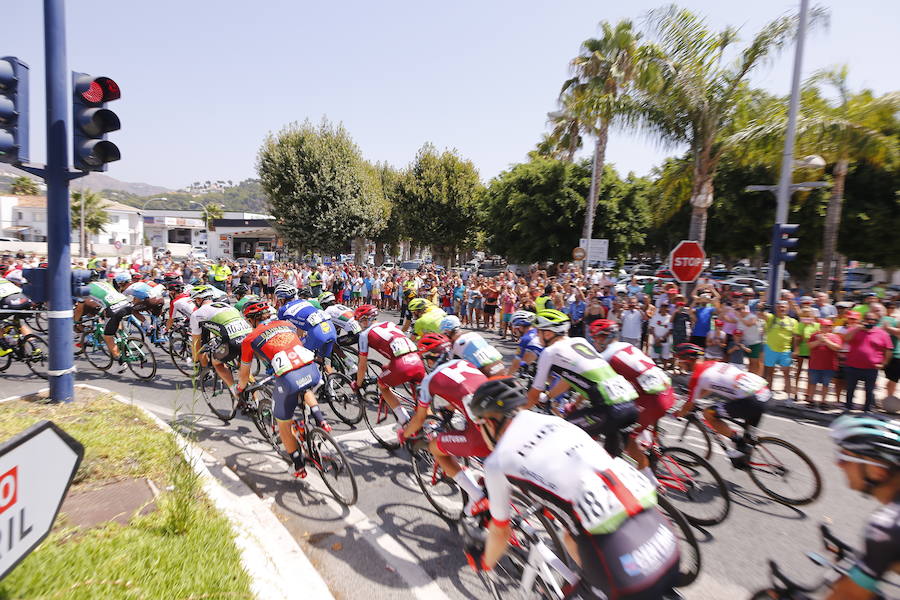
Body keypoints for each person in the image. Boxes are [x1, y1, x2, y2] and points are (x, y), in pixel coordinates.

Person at [465, 377, 680, 598]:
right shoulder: (559, 422)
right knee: (570, 536)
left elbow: (501, 532)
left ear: (489, 422)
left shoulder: (497, 461)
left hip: (628, 571)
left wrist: (484, 563)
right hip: (664, 536)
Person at [525, 309, 638, 457]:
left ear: (548, 333)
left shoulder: (550, 351)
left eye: (538, 332)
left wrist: (514, 416)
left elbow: (533, 396)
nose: (537, 336)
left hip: (609, 409)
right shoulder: (581, 341)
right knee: (611, 458)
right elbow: (568, 380)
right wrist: (547, 397)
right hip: (629, 403)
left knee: (559, 437)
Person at [399, 333, 490, 516]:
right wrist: (449, 408)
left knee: (435, 447)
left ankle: (477, 498)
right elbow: (468, 391)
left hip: (483, 435)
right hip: (506, 420)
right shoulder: (467, 364)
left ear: (431, 359)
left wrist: (405, 433)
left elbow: (418, 419)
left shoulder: (429, 380)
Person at [236, 301, 329, 478]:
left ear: (251, 320)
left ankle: (299, 465)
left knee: (283, 423)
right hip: (311, 370)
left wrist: (240, 389)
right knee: (304, 387)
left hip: (288, 376)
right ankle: (320, 419)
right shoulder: (288, 324)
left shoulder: (250, 338)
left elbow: (244, 372)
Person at [589, 319, 674, 481]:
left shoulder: (605, 356)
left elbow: (597, 383)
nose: (595, 341)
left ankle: (651, 481)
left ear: (606, 337)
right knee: (631, 409)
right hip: (667, 389)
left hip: (654, 399)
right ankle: (649, 445)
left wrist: (578, 403)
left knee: (625, 437)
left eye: (597, 338)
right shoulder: (628, 346)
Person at [827, 414, 900, 599]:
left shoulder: (886, 529)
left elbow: (846, 596)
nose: (837, 463)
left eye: (844, 457)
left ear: (878, 471)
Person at [674, 342, 771, 466]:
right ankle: (744, 460)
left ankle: (737, 441)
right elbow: (708, 387)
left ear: (688, 360)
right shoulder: (712, 364)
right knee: (748, 440)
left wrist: (678, 414)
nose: (679, 364)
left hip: (752, 401)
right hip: (764, 393)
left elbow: (688, 406)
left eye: (680, 361)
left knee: (708, 413)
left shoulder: (696, 377)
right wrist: (692, 396)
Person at [352, 304, 424, 427]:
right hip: (417, 360)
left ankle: (403, 420)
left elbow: (362, 365)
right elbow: (399, 346)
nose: (360, 325)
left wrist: (358, 384)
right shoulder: (391, 324)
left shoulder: (364, 335)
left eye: (360, 321)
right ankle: (432, 426)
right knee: (422, 402)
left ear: (365, 319)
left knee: (382, 385)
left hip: (402, 364)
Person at [189, 286, 252, 395]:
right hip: (250, 336)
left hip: (233, 340)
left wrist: (195, 359)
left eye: (195, 301)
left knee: (216, 362)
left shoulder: (197, 314)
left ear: (199, 300)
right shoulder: (227, 305)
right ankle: (257, 401)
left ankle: (235, 392)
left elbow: (196, 343)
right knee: (244, 369)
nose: (195, 304)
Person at [843, 310, 893, 412]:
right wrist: (858, 328)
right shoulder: (855, 330)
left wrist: (884, 363)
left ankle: (867, 410)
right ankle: (847, 408)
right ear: (863, 320)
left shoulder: (882, 333)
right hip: (852, 366)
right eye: (868, 319)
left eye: (873, 320)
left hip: (871, 368)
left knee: (869, 390)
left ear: (876, 321)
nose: (870, 322)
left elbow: (888, 349)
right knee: (850, 389)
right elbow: (846, 339)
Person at [438, 315, 505, 377]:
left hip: (487, 375)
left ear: (447, 331)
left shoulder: (456, 344)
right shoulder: (474, 334)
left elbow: (450, 366)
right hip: (501, 366)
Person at [763, 300, 798, 400]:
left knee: (787, 374)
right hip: (771, 349)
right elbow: (762, 314)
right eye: (779, 307)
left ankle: (789, 398)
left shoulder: (793, 321)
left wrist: (795, 350)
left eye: (783, 307)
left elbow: (795, 338)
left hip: (785, 351)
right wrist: (762, 306)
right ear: (776, 308)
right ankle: (767, 395)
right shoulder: (771, 318)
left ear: (787, 308)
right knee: (769, 374)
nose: (781, 309)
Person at [806, 319, 842, 408]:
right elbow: (810, 346)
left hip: (829, 365)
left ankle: (823, 401)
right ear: (820, 327)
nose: (825, 328)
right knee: (812, 383)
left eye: (828, 326)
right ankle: (811, 399)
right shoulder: (814, 335)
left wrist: (825, 340)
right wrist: (819, 341)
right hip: (815, 364)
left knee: (826, 384)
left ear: (831, 328)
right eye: (824, 326)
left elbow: (837, 347)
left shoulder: (835, 337)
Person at [506, 310, 541, 376]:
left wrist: (504, 378)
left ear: (521, 327)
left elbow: (515, 366)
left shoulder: (526, 339)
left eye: (514, 327)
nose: (514, 331)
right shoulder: (537, 332)